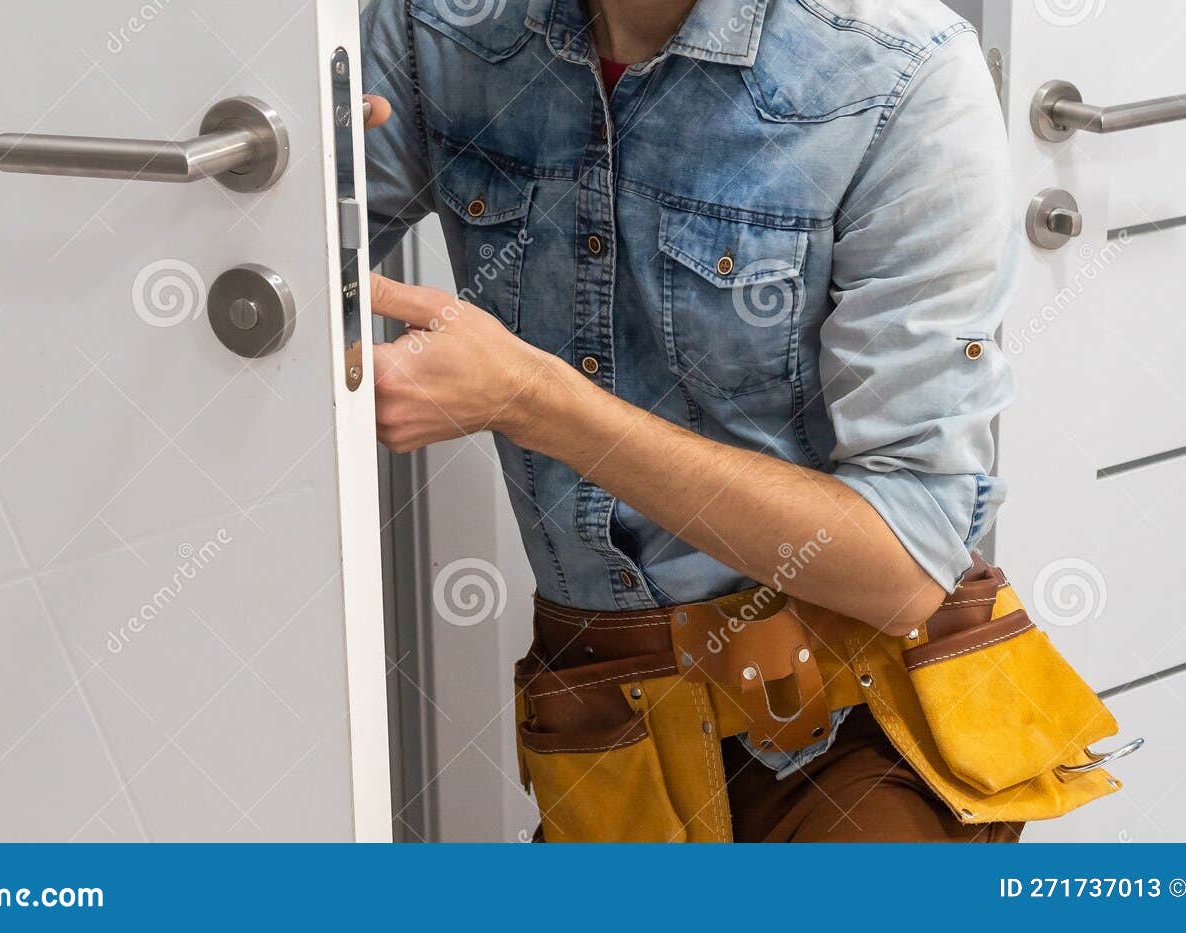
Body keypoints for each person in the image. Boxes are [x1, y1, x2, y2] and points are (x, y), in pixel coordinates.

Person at [355, 0, 1018, 842]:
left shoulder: (900, 73)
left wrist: (533, 400)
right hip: (608, 731)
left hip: (854, 721)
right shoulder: (438, 28)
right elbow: (280, 275)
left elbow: (907, 559)